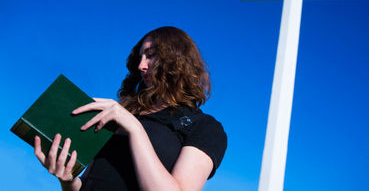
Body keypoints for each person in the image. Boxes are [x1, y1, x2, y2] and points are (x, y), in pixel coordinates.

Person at [33, 26, 227, 191]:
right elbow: (89, 183)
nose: (142, 66)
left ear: (177, 60)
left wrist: (134, 128)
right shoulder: (120, 116)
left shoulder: (204, 127)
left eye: (151, 56)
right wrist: (68, 180)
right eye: (140, 58)